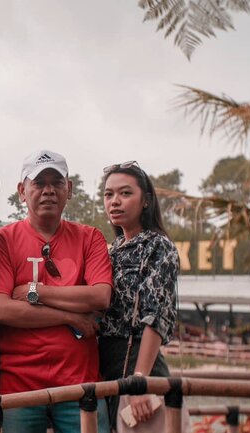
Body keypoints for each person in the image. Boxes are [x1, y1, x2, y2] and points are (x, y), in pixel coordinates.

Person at [0, 149, 113, 433]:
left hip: (81, 385)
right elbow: (1, 310)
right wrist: (71, 318)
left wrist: (34, 291)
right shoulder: (1, 242)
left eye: (56, 183)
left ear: (69, 189)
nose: (48, 191)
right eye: (38, 183)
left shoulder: (89, 238)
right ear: (22, 190)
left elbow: (100, 296)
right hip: (20, 387)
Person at [98, 161, 179, 431]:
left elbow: (156, 317)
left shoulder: (158, 246)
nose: (115, 201)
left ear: (145, 200)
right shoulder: (111, 250)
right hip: (107, 368)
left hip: (140, 364)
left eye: (125, 193)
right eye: (109, 194)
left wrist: (140, 380)